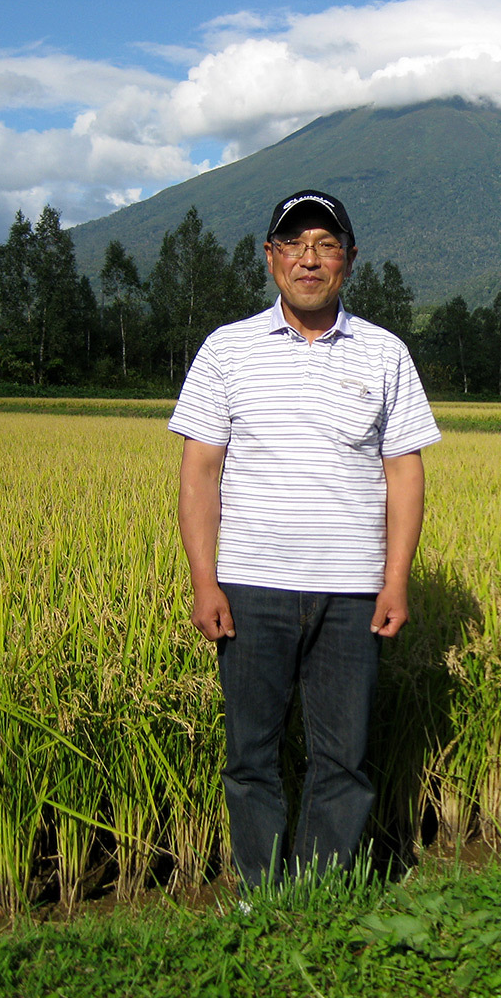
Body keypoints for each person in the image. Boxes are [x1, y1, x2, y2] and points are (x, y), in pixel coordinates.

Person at [168, 190, 441, 889]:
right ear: (270, 258)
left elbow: (404, 472)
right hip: (250, 585)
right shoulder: (227, 350)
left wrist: (396, 579)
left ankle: (320, 897)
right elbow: (200, 472)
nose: (309, 258)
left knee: (341, 757)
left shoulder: (385, 353)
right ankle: (262, 897)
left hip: (352, 591)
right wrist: (205, 582)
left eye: (325, 243)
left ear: (349, 260)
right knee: (250, 754)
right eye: (293, 244)